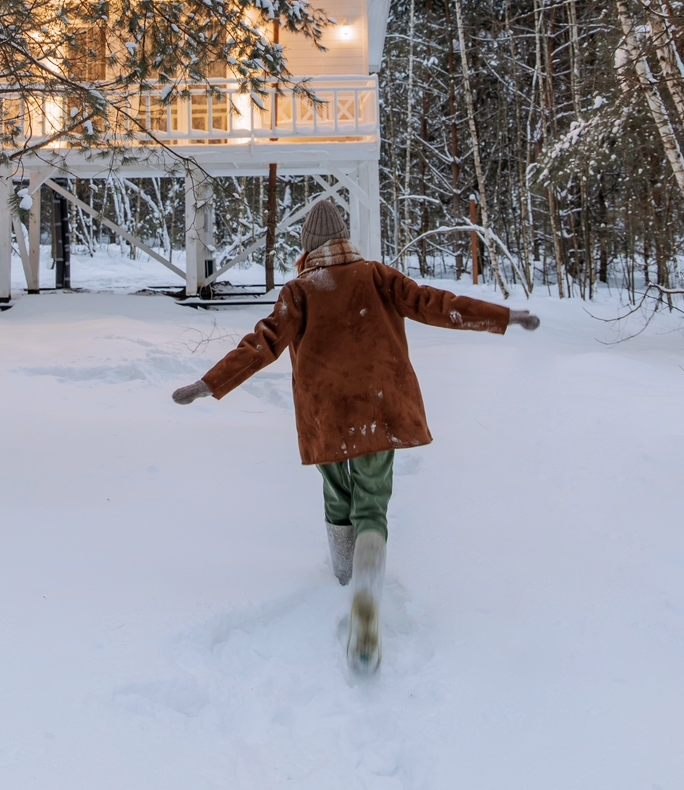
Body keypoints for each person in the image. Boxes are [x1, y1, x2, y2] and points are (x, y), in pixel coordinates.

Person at [172, 198, 540, 673]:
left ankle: (342, 578)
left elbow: (261, 343)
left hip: (326, 414)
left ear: (307, 247)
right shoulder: (377, 276)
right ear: (345, 239)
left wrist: (210, 383)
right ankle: (366, 582)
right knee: (372, 503)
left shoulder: (300, 290)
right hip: (379, 410)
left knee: (336, 495)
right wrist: (500, 317)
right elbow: (435, 304)